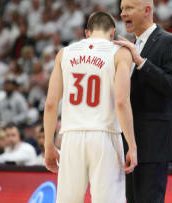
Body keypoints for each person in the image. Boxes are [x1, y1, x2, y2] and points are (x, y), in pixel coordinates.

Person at [43, 11, 137, 203]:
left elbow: (51, 104)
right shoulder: (120, 53)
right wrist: (132, 145)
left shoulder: (64, 53)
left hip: (71, 136)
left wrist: (48, 145)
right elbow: (121, 102)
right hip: (105, 135)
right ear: (112, 33)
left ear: (87, 33)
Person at [115, 0, 172, 201]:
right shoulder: (128, 47)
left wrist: (141, 62)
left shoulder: (170, 42)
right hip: (127, 143)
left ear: (147, 10)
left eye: (128, 8)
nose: (122, 14)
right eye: (121, 9)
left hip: (153, 145)